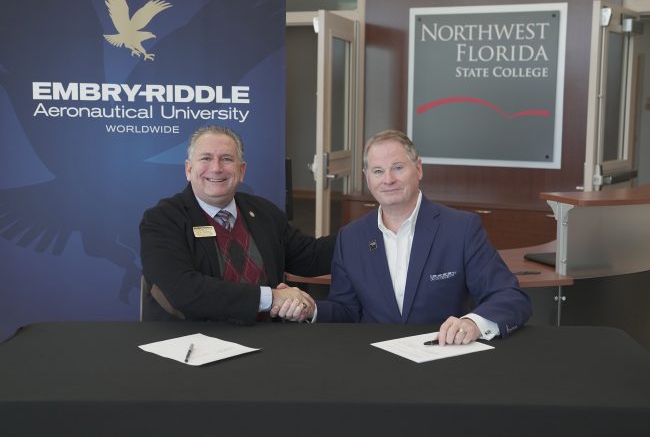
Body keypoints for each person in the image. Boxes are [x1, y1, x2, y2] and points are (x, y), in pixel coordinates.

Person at [278, 130, 531, 344]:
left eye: (397, 168)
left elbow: (509, 297)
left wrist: (472, 323)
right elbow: (347, 310)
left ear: (418, 169)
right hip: (374, 364)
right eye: (378, 171)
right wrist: (311, 310)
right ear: (367, 178)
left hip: (442, 359)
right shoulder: (351, 237)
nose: (388, 180)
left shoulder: (460, 228)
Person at [139, 125, 334, 324]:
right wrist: (272, 297)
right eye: (206, 158)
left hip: (268, 341)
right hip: (195, 342)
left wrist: (368, 233)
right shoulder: (162, 219)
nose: (216, 168)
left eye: (226, 159)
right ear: (189, 169)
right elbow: (183, 290)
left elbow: (311, 257)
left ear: (241, 171)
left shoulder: (263, 212)